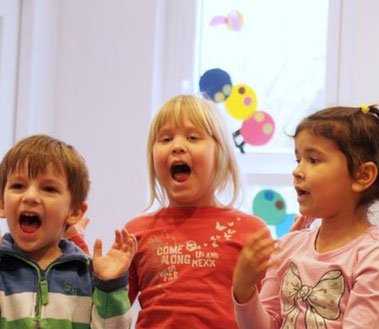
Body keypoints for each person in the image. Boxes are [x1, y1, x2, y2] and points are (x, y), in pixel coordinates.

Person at [232, 105, 379, 329]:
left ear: (362, 176)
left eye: (313, 160)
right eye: (298, 160)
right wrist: (244, 290)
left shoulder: (377, 257)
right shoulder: (288, 246)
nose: (297, 171)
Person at [124, 95, 268, 328]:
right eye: (165, 138)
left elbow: (267, 317)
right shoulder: (135, 232)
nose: (177, 146)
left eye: (192, 137)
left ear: (220, 154)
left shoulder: (251, 231)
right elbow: (111, 315)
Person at [0, 134, 136, 328]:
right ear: (2, 203)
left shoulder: (85, 272)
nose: (30, 196)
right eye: (18, 186)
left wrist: (110, 287)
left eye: (48, 189)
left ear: (74, 212)